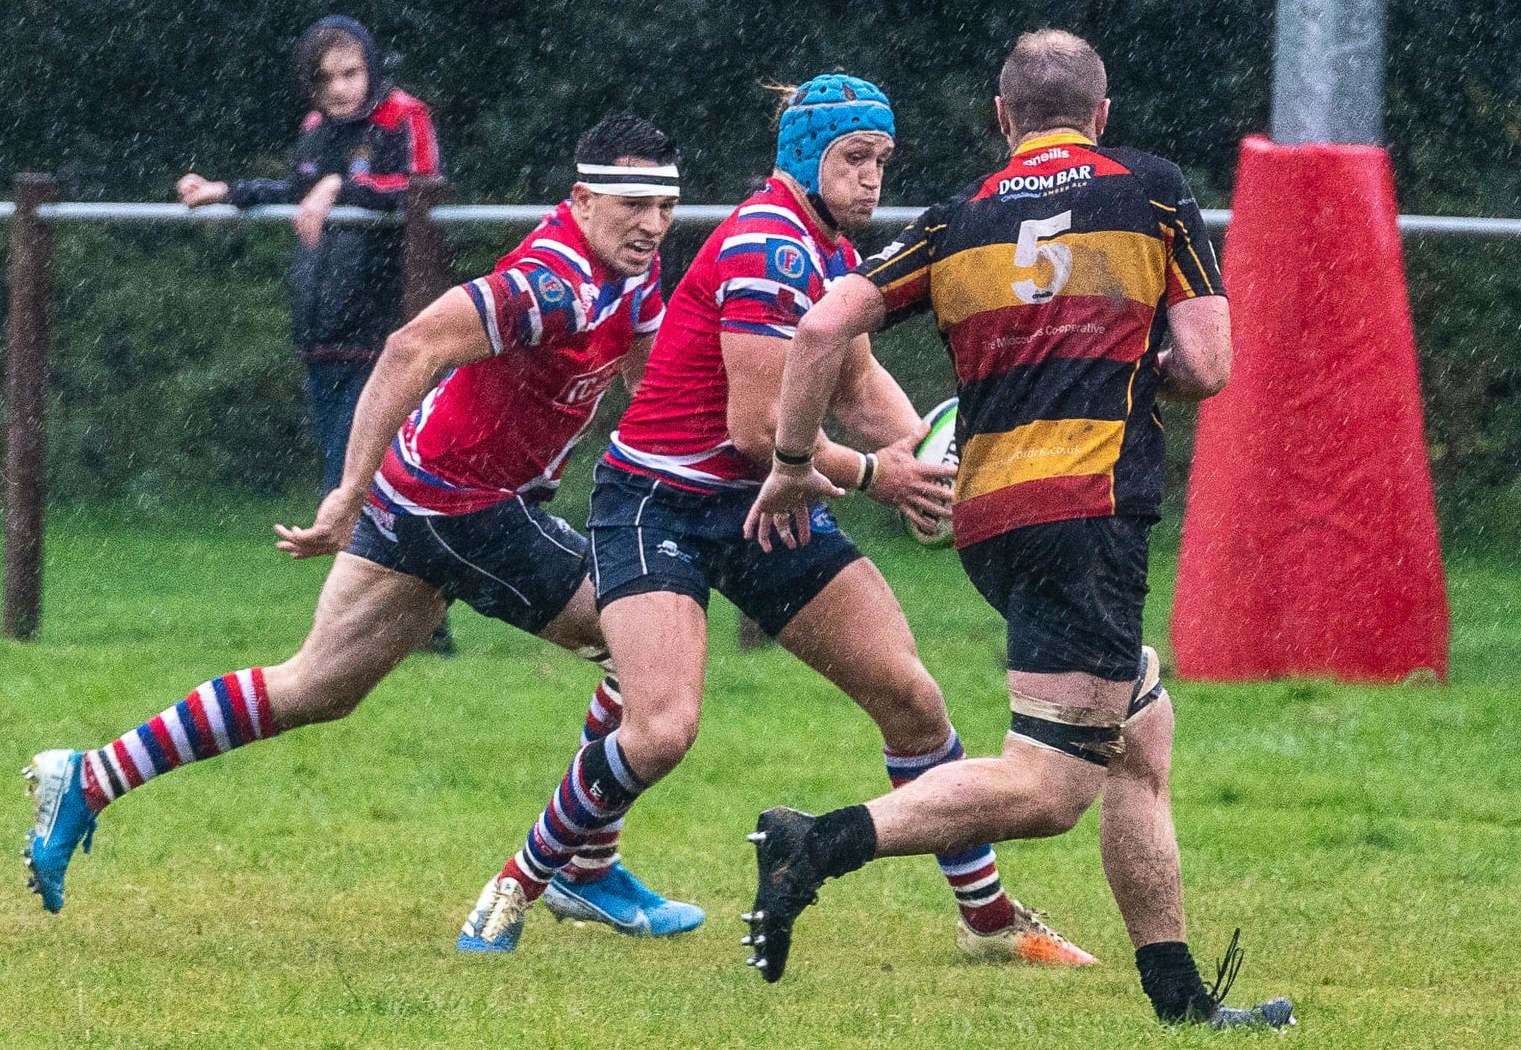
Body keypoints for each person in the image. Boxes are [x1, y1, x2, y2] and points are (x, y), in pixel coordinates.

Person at [457, 74, 1093, 968]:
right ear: (804, 159)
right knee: (662, 729)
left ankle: (987, 923)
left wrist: (925, 452)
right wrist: (884, 477)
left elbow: (861, 384)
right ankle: (520, 881)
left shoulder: (831, 249)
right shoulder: (770, 247)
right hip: (660, 502)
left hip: (762, 507)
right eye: (853, 159)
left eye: (882, 160)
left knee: (911, 701)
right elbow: (757, 434)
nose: (873, 178)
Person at [25, 114, 704, 943]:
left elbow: (646, 378)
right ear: (583, 198)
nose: (652, 223)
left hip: (423, 493)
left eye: (665, 206)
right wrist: (345, 494)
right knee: (644, 645)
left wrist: (700, 461)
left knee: (315, 686)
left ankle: (90, 777)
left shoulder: (634, 268)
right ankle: (583, 869)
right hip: (463, 505)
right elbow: (409, 346)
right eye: (633, 203)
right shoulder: (551, 281)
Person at [737, 31, 1295, 1030]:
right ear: (1102, 116)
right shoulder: (1152, 189)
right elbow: (1208, 365)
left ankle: (1181, 1000)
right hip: (1089, 513)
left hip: (989, 520)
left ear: (1003, 120)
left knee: (1141, 723)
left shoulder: (963, 218)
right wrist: (1137, 363)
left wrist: (791, 465)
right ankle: (815, 841)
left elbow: (821, 328)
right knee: (1048, 788)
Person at [177, 16, 455, 653]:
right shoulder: (316, 130)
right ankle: (418, 623)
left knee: (359, 477)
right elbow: (295, 188)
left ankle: (383, 627)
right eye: (326, 76)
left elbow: (423, 190)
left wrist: (344, 185)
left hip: (386, 329)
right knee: (351, 479)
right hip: (323, 326)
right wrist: (227, 191)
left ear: (373, 70)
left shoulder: (404, 116)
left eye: (351, 72)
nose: (339, 87)